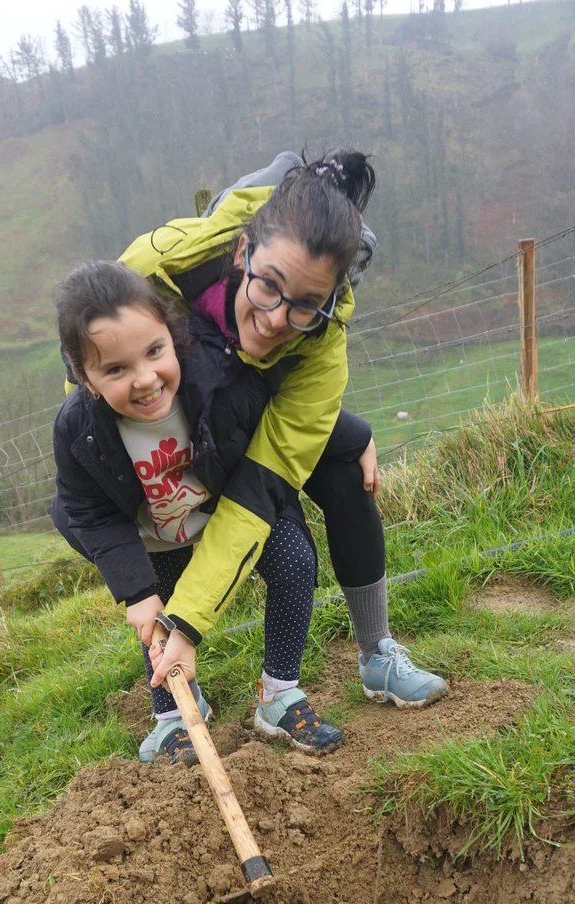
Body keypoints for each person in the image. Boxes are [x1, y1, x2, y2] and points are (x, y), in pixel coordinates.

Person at [117, 148, 448, 713]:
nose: (275, 321)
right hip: (175, 425)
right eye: (268, 285)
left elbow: (259, 490)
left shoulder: (322, 346)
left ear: (331, 300)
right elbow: (93, 391)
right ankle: (171, 697)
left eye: (306, 306)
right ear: (242, 251)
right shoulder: (153, 273)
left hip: (257, 420)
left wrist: (188, 623)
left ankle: (376, 652)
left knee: (348, 471)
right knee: (162, 519)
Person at [52, 259, 345, 762]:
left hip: (231, 510)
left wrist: (353, 441)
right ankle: (174, 718)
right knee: (158, 618)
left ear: (173, 333)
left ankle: (279, 695)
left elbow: (291, 409)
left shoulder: (218, 375)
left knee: (295, 562)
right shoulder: (79, 428)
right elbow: (89, 512)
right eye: (116, 369)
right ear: (86, 379)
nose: (145, 380)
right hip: (155, 535)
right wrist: (136, 592)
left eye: (154, 351)